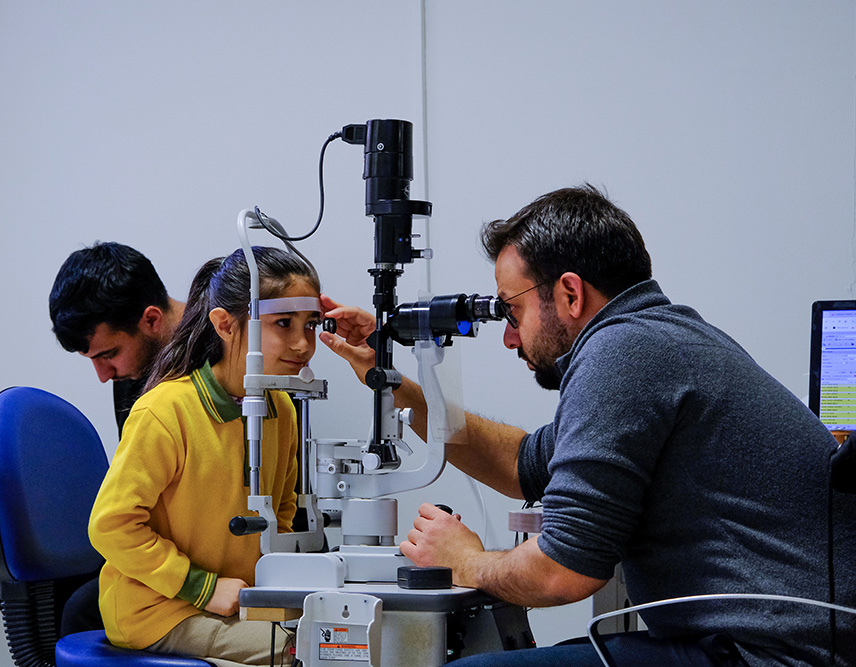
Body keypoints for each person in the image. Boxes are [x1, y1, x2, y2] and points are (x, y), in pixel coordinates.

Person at [319, 185, 855, 666]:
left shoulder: (623, 352)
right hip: (770, 642)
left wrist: (467, 561)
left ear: (571, 294)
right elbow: (520, 463)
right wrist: (386, 379)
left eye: (511, 311)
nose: (509, 337)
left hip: (768, 654)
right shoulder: (660, 338)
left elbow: (563, 572)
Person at [88, 246, 323, 666]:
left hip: (240, 602)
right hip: (160, 610)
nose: (303, 343)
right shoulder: (165, 412)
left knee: (351, 634)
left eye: (311, 324)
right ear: (225, 325)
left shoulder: (281, 409)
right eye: (284, 323)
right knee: (307, 653)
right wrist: (203, 587)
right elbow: (111, 526)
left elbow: (282, 513)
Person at [49, 241, 185, 436]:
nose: (104, 376)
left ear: (151, 320)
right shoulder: (134, 368)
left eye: (109, 355)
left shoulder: (226, 354)